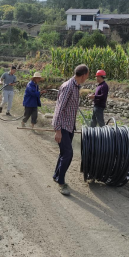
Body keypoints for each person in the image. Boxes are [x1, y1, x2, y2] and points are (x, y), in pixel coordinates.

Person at [52, 64, 89, 196]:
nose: (88, 77)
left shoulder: (76, 86)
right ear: (84, 75)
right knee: (68, 154)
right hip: (62, 126)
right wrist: (57, 130)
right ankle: (61, 183)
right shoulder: (68, 87)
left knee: (64, 153)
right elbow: (59, 109)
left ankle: (56, 176)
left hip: (69, 126)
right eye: (88, 75)